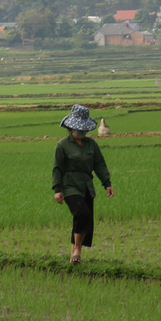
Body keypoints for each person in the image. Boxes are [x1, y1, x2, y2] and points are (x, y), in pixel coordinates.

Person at [51, 104, 112, 265]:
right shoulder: (62, 145)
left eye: (83, 128)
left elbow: (99, 164)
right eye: (78, 128)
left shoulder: (91, 145)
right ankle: (77, 248)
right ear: (71, 127)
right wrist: (57, 190)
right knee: (82, 213)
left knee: (85, 220)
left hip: (86, 186)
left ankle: (74, 253)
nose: (81, 131)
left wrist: (107, 183)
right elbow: (57, 168)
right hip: (70, 186)